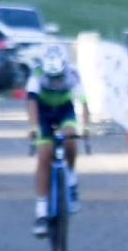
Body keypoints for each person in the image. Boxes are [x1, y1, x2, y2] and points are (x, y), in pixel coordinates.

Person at [25, 44, 89, 238]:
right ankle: (41, 212)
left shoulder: (73, 74)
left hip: (64, 110)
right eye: (51, 78)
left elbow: (84, 103)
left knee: (70, 139)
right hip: (43, 113)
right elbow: (31, 103)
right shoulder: (36, 74)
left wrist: (86, 126)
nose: (54, 81)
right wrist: (34, 127)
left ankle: (70, 177)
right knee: (44, 155)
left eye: (58, 77)